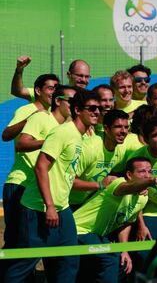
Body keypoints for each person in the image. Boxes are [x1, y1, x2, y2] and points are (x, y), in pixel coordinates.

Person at [4, 90, 101, 282]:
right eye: (91, 108)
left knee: (69, 260)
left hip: (62, 207)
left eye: (98, 108)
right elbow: (41, 166)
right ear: (77, 110)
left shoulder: (79, 136)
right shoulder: (63, 132)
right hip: (38, 207)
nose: (97, 112)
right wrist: (49, 206)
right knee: (23, 265)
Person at [73, 157, 155, 283]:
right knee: (110, 257)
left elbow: (125, 223)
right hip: (79, 230)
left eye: (150, 172)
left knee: (121, 261)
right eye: (142, 171)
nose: (147, 175)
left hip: (96, 235)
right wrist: (151, 182)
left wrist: (124, 250)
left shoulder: (143, 198)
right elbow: (128, 188)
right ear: (129, 174)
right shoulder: (117, 183)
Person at [69, 109, 130, 211]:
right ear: (106, 129)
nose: (123, 131)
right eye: (118, 127)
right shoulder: (90, 148)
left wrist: (139, 187)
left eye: (126, 127)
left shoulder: (120, 150)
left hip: (87, 202)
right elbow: (69, 181)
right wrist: (100, 184)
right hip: (66, 202)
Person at [2, 73, 59, 142]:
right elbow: (5, 136)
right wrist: (30, 118)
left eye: (56, 90)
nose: (54, 92)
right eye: (50, 88)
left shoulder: (55, 112)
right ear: (38, 91)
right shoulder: (25, 110)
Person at [11, 57, 90, 101]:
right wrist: (19, 70)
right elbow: (18, 91)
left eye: (87, 76)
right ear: (69, 75)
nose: (83, 80)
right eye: (80, 76)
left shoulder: (91, 100)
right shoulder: (53, 93)